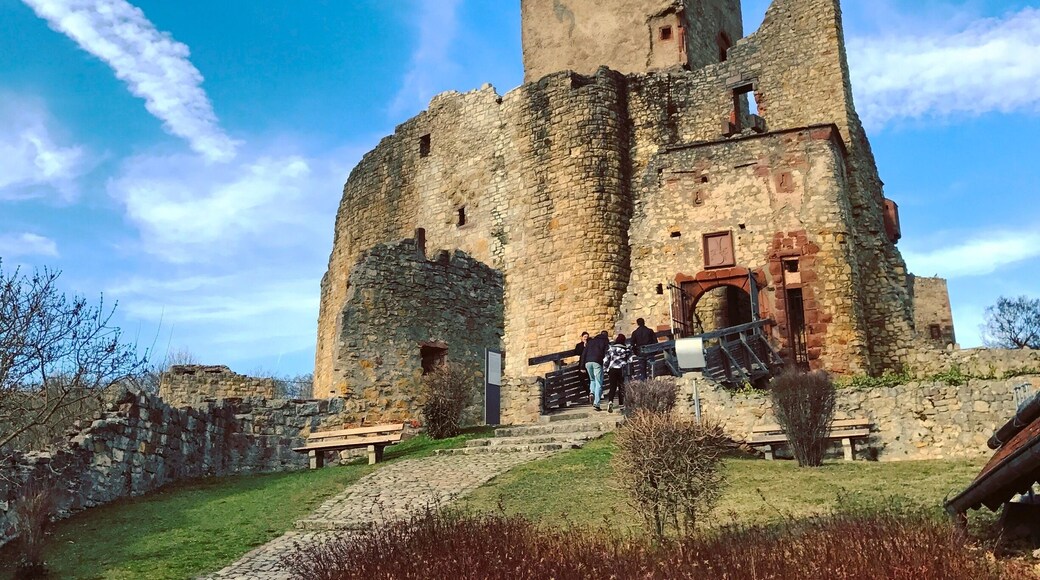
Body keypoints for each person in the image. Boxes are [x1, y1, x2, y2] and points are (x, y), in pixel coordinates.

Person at [603, 333, 633, 413]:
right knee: (621, 387)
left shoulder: (611, 348)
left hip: (612, 369)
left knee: (612, 386)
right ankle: (621, 404)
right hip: (622, 369)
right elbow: (630, 360)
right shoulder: (627, 349)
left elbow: (606, 360)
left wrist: (605, 369)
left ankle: (610, 401)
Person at [583, 330, 610, 411]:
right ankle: (596, 403)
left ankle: (591, 392)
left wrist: (582, 366)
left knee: (592, 380)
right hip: (597, 362)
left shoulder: (591, 341)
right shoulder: (605, 341)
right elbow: (607, 354)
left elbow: (584, 353)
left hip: (587, 362)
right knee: (598, 382)